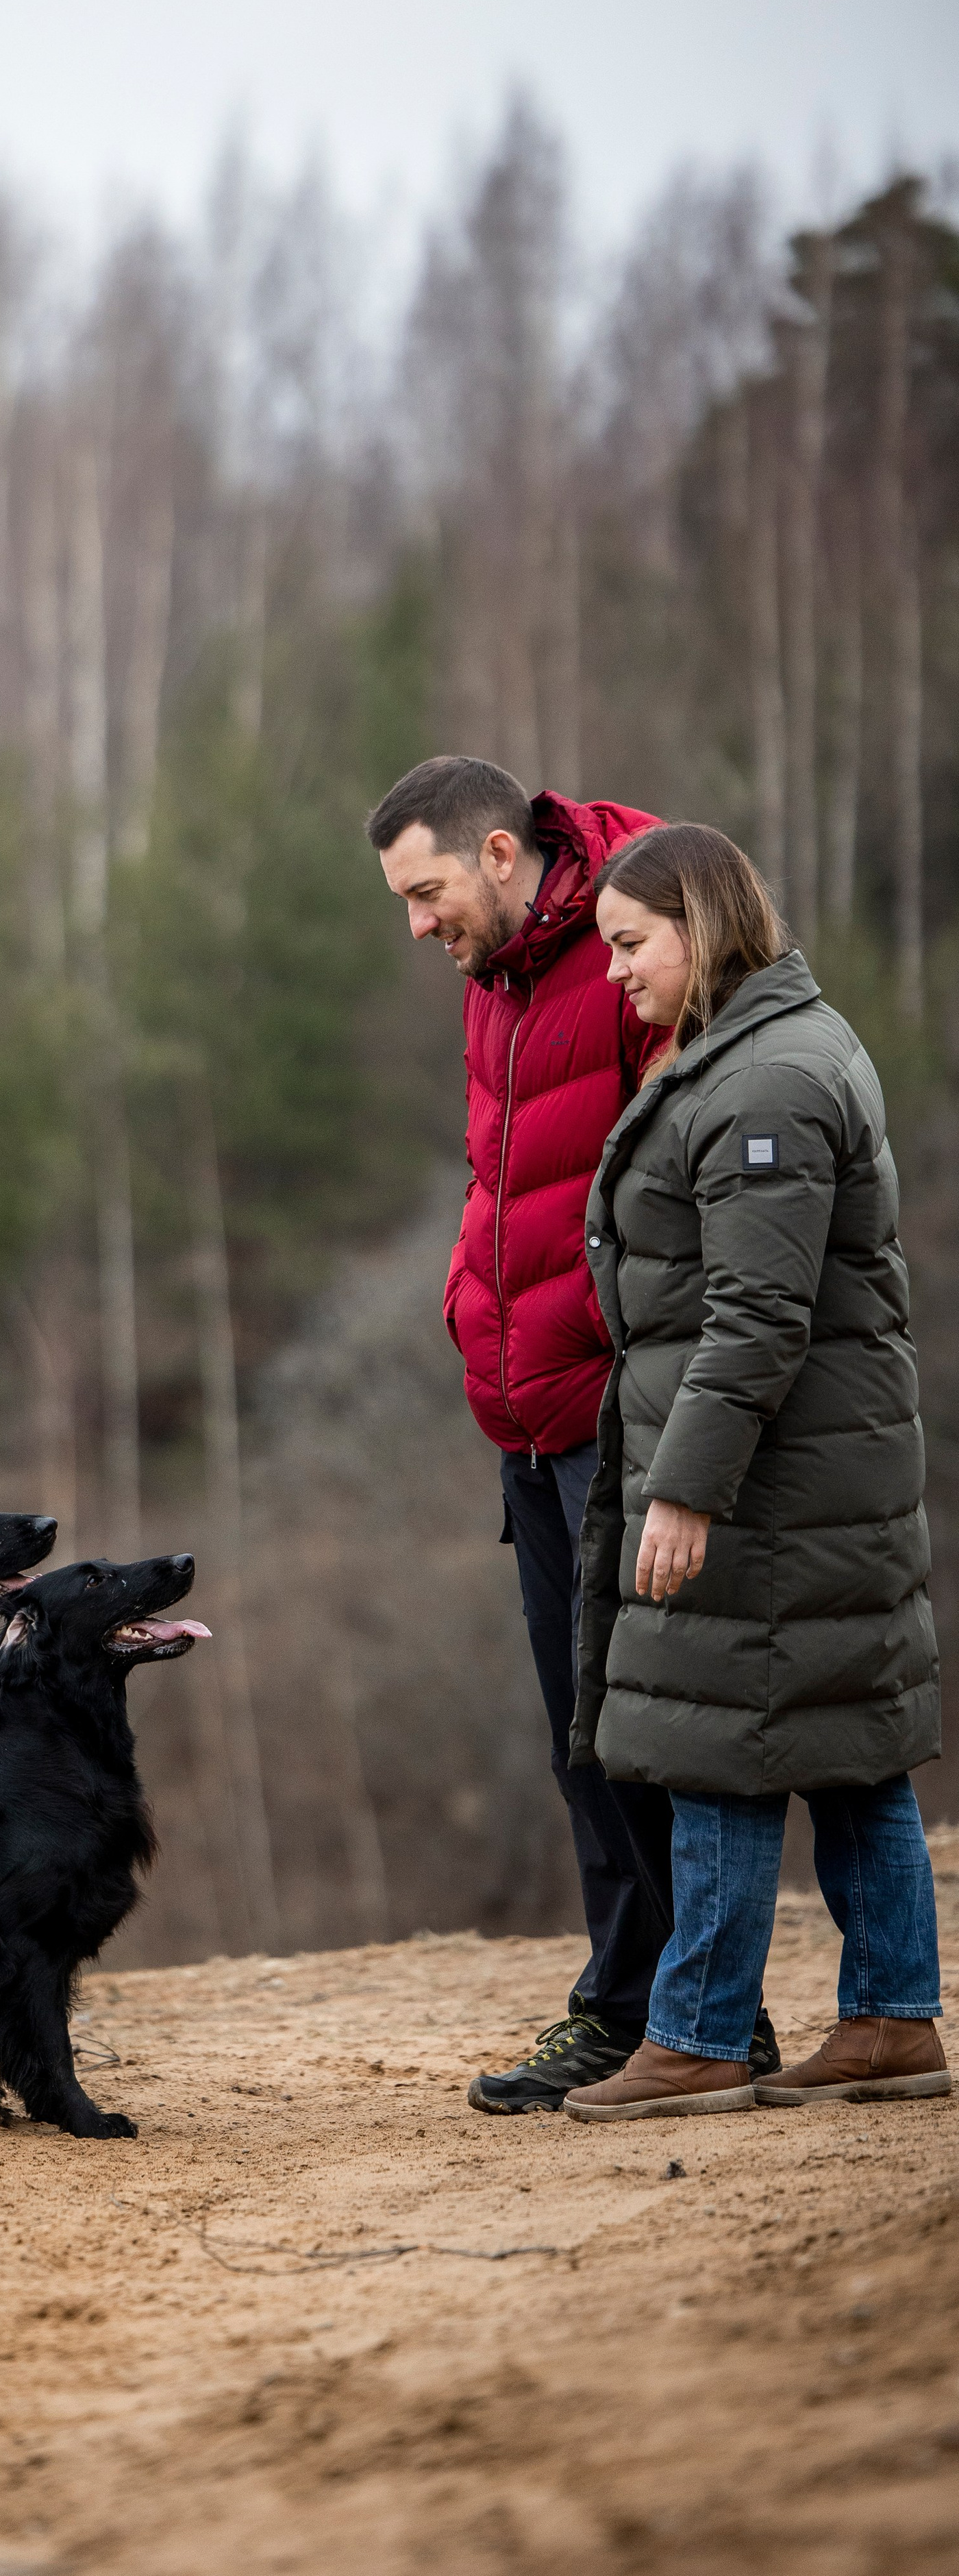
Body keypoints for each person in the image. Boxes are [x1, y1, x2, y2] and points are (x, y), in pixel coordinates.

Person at [368, 756, 778, 2113]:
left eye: (425, 892)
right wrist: (467, 1305)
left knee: (648, 1725)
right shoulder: (493, 982)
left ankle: (684, 2018)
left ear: (497, 852)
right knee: (578, 1730)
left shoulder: (629, 944)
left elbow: (680, 1171)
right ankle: (630, 2006)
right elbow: (505, 1176)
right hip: (523, 1414)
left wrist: (625, 1364)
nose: (417, 926)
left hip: (615, 1409)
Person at [562, 822, 948, 2122]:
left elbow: (758, 1317)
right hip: (806, 1474)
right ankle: (893, 2023)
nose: (614, 970)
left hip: (772, 1485)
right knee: (848, 1748)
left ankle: (703, 2034)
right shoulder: (758, 1048)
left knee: (716, 1737)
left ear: (703, 926)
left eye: (630, 943)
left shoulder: (770, 1080)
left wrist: (687, 1488)